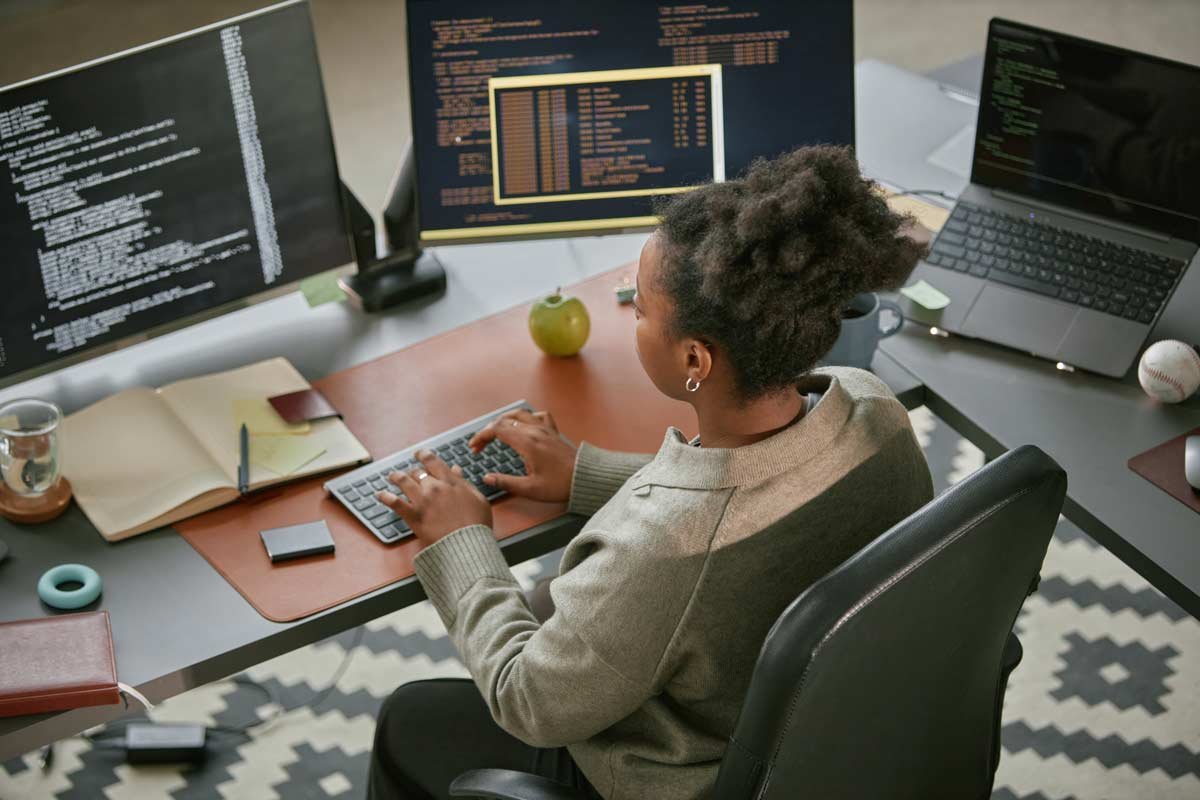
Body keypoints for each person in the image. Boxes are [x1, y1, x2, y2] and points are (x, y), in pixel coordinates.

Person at [368, 145, 935, 800]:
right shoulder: (873, 407)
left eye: (638, 310)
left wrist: (460, 542)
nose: (630, 322)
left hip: (691, 777)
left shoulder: (664, 552)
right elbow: (768, 487)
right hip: (838, 745)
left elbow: (530, 701)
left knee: (408, 719)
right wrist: (588, 473)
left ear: (695, 357)